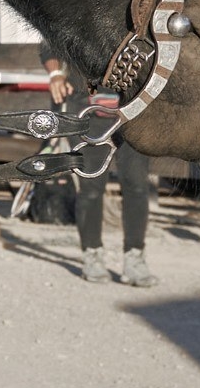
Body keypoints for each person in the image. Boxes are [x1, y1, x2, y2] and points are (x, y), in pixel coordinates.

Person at [47, 56, 158, 286]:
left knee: (137, 185)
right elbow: (48, 43)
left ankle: (134, 258)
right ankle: (92, 254)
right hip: (90, 114)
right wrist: (55, 75)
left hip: (133, 115)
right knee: (91, 187)